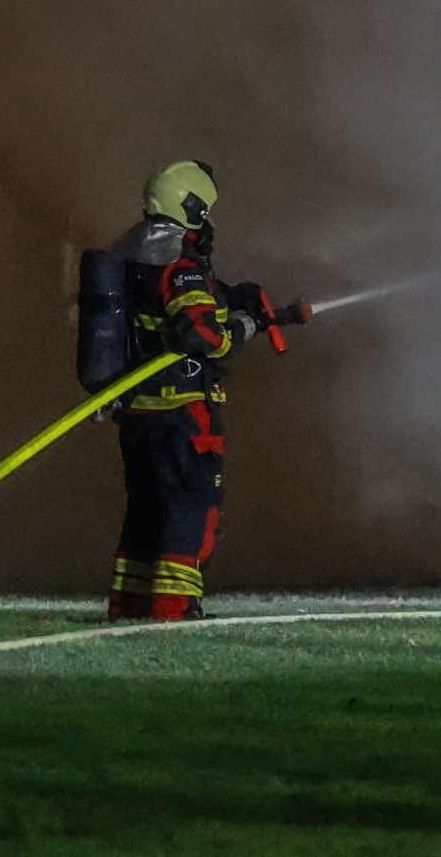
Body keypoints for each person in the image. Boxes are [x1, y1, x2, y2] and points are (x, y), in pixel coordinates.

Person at [95, 159, 300, 622]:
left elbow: (177, 309)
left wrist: (235, 298)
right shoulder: (179, 265)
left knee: (145, 510)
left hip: (139, 416)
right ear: (189, 209)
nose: (207, 224)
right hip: (183, 415)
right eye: (203, 212)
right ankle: (174, 607)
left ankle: (128, 605)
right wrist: (244, 327)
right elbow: (203, 336)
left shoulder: (130, 257)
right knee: (191, 507)